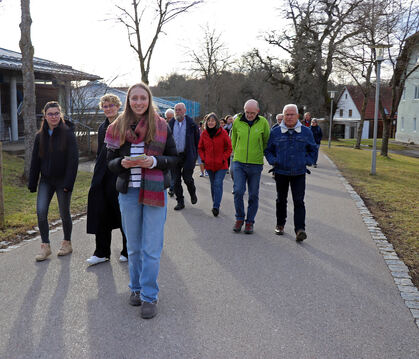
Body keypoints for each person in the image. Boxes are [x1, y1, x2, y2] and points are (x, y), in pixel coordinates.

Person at [105, 83, 178, 319]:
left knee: (151, 247)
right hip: (129, 194)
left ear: (149, 100)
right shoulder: (117, 126)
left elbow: (174, 158)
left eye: (142, 98)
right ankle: (135, 288)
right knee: (134, 247)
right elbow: (110, 163)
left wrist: (155, 162)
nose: (138, 102)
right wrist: (122, 164)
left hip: (155, 191)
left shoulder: (161, 125)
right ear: (128, 101)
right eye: (134, 98)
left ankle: (149, 295)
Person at [28, 101, 79, 261]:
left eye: (57, 113)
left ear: (60, 114)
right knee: (41, 212)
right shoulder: (39, 136)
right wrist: (32, 182)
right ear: (45, 116)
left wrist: (68, 184)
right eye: (50, 114)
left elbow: (73, 161)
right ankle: (45, 246)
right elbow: (35, 161)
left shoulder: (68, 134)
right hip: (46, 181)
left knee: (64, 213)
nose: (54, 116)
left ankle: (67, 243)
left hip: (63, 181)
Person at [86, 94, 128, 266]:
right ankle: (102, 252)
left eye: (111, 105)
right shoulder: (102, 127)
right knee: (100, 211)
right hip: (102, 175)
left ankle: (128, 249)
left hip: (119, 174)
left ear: (118, 106)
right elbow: (100, 154)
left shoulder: (125, 124)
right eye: (105, 106)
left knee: (123, 213)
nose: (108, 108)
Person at [264, 104, 317, 242]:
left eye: (292, 114)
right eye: (286, 114)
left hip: (299, 172)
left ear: (297, 116)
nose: (289, 117)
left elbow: (313, 149)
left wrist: (307, 161)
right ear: (283, 116)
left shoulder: (306, 132)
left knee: (298, 201)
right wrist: (273, 161)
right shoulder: (275, 132)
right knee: (281, 200)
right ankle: (280, 224)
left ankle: (300, 229)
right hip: (281, 171)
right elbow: (268, 150)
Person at [230, 99, 270, 234]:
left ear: (257, 111)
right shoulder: (237, 122)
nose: (249, 115)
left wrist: (259, 153)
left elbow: (266, 141)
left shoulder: (263, 122)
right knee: (238, 191)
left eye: (252, 113)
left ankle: (250, 222)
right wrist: (237, 153)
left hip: (255, 164)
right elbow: (233, 139)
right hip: (239, 163)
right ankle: (239, 218)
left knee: (253, 195)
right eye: (247, 112)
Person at [198, 113, 232, 217]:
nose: (210, 122)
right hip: (209, 164)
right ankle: (215, 203)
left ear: (216, 122)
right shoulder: (204, 134)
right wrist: (204, 159)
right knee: (213, 185)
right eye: (209, 121)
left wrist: (223, 157)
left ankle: (216, 206)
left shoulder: (223, 133)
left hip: (221, 165)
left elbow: (229, 148)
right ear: (206, 123)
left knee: (217, 183)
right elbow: (200, 148)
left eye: (212, 121)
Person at [168, 102, 200, 210]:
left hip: (188, 156)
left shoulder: (191, 124)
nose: (177, 112)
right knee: (176, 180)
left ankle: (192, 193)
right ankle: (180, 202)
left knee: (187, 178)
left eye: (180, 110)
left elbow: (197, 141)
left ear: (185, 111)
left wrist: (194, 154)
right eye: (176, 110)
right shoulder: (171, 124)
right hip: (175, 156)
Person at [165, 108, 175, 196]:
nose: (169, 120)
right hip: (166, 154)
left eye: (171, 118)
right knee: (169, 172)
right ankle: (172, 187)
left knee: (173, 173)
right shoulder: (163, 125)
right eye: (167, 118)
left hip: (175, 153)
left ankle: (172, 188)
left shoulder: (178, 125)